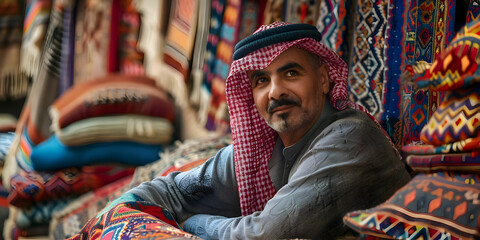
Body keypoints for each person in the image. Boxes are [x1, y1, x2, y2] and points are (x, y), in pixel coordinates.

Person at [122, 22, 411, 239]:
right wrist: (118, 213)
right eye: (261, 80)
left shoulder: (350, 139)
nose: (275, 92)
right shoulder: (264, 149)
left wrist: (192, 224)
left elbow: (262, 234)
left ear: (323, 79)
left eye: (291, 73)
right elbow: (173, 191)